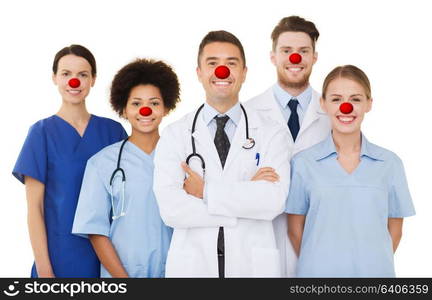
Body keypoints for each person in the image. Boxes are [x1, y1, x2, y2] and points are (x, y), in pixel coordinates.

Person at [153, 30, 290, 277]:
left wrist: (205, 191)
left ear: (244, 72)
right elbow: (171, 209)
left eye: (231, 64)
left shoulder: (271, 133)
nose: (222, 72)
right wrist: (245, 197)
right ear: (199, 73)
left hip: (252, 267)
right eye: (212, 64)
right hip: (194, 266)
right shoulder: (175, 135)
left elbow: (273, 201)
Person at [286, 65, 415, 277]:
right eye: (336, 99)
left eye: (355, 99)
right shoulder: (303, 163)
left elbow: (395, 230)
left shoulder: (390, 163)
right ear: (323, 104)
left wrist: (369, 265)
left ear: (368, 104)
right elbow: (294, 230)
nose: (346, 107)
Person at [12, 44, 127, 278]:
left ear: (93, 79)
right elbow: (35, 208)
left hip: (108, 257)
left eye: (82, 75)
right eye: (66, 74)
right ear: (54, 78)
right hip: (58, 258)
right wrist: (45, 270)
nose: (74, 82)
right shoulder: (41, 133)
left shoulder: (113, 132)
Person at [72, 58, 179, 278]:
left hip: (177, 272)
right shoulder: (102, 163)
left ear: (166, 107)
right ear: (124, 108)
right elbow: (96, 232)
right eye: (136, 103)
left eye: (154, 103)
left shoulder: (181, 157)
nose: (146, 110)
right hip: (121, 277)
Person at [246, 16, 331, 277]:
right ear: (273, 56)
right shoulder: (247, 114)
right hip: (261, 238)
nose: (295, 59)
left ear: (315, 56)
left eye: (303, 51)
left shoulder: (334, 114)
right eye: (286, 51)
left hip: (318, 237)